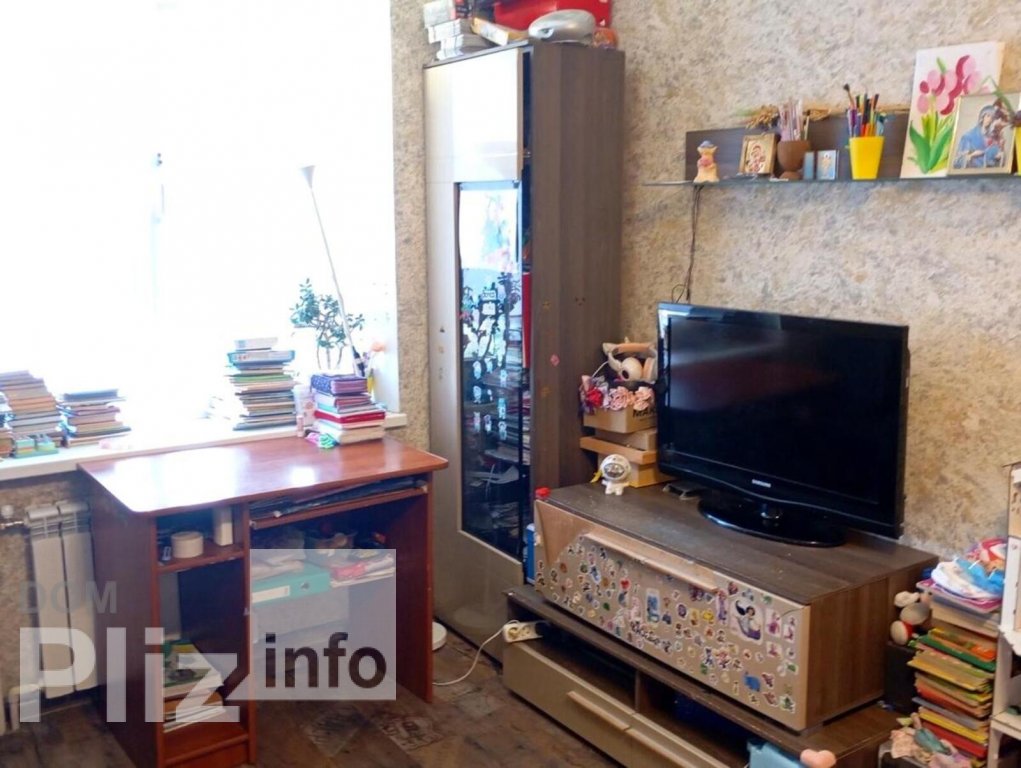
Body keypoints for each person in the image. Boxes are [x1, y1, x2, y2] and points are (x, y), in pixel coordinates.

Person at [953, 104, 1007, 169]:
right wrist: (971, 155)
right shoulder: (968, 137)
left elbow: (996, 158)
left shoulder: (993, 138)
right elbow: (958, 161)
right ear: (982, 117)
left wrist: (1000, 153)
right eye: (988, 116)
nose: (990, 119)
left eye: (992, 118)